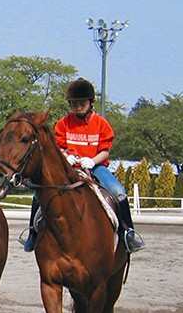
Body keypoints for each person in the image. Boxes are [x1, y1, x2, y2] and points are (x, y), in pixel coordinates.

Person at [23, 78, 145, 253]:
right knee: (38, 194)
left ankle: (128, 233)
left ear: (90, 102)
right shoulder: (63, 123)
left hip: (95, 166)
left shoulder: (101, 123)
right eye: (74, 104)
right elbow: (59, 148)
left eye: (82, 103)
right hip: (70, 167)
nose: (78, 107)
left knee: (119, 192)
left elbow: (105, 151)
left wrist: (93, 161)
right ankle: (33, 234)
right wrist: (65, 157)